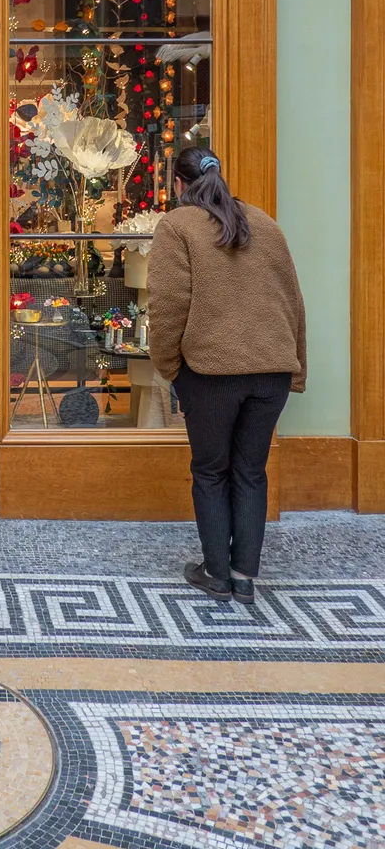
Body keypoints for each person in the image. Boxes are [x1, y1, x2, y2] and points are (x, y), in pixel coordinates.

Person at [147, 147, 306, 605]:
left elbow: (167, 308)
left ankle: (216, 573)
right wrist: (296, 365)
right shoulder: (266, 223)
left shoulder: (177, 226)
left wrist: (169, 368)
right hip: (272, 370)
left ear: (178, 184)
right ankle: (244, 577)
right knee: (252, 473)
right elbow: (293, 301)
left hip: (212, 372)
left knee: (211, 471)